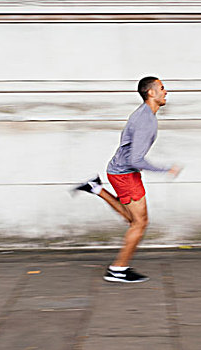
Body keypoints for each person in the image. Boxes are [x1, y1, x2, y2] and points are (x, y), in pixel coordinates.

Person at [72, 77, 181, 283]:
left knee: (134, 221)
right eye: (162, 88)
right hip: (124, 174)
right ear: (151, 93)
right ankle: (117, 269)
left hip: (123, 172)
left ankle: (96, 188)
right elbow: (136, 159)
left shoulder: (145, 115)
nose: (166, 92)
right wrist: (165, 169)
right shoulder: (145, 120)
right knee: (139, 224)